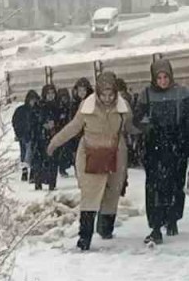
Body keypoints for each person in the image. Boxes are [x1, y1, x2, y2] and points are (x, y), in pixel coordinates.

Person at [47, 71, 132, 251]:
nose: (107, 99)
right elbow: (73, 127)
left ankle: (106, 231)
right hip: (90, 154)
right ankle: (84, 238)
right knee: (90, 196)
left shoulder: (123, 108)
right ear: (98, 93)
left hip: (116, 153)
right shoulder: (87, 107)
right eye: (103, 95)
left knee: (112, 193)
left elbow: (130, 126)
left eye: (111, 95)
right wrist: (54, 143)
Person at [135, 59, 189, 245]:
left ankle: (172, 219)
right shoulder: (146, 94)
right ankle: (156, 225)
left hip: (177, 143)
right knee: (155, 187)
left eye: (165, 77)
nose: (163, 81)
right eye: (159, 78)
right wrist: (148, 127)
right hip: (155, 146)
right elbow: (137, 119)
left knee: (176, 184)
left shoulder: (182, 92)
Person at [29, 85, 61, 191]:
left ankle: (52, 184)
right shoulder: (39, 106)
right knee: (39, 162)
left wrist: (55, 124)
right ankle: (38, 183)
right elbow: (33, 122)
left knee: (53, 162)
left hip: (54, 137)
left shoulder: (58, 106)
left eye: (52, 93)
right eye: (48, 93)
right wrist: (43, 124)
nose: (51, 96)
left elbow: (62, 121)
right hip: (40, 139)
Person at [12, 91, 39, 182]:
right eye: (32, 100)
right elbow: (15, 122)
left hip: (33, 135)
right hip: (24, 135)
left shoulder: (37, 110)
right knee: (25, 153)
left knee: (31, 153)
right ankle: (25, 171)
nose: (33, 102)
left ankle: (30, 172)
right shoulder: (21, 110)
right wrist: (18, 132)